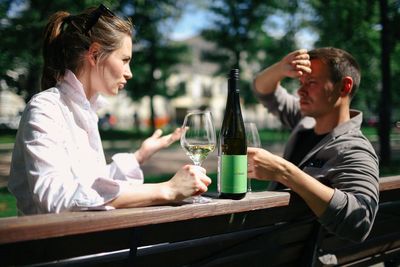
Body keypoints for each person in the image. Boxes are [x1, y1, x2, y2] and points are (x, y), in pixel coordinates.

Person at [8, 4, 211, 215]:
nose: (129, 73)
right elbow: (56, 199)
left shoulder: (85, 111)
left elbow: (89, 184)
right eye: (124, 60)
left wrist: (139, 156)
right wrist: (166, 189)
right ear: (95, 54)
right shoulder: (45, 109)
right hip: (51, 246)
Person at [249, 48, 379, 242]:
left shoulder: (353, 149)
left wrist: (284, 172)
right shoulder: (305, 121)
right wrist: (280, 68)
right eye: (301, 83)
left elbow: (359, 222)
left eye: (311, 82)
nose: (300, 91)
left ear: (344, 87)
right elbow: (263, 90)